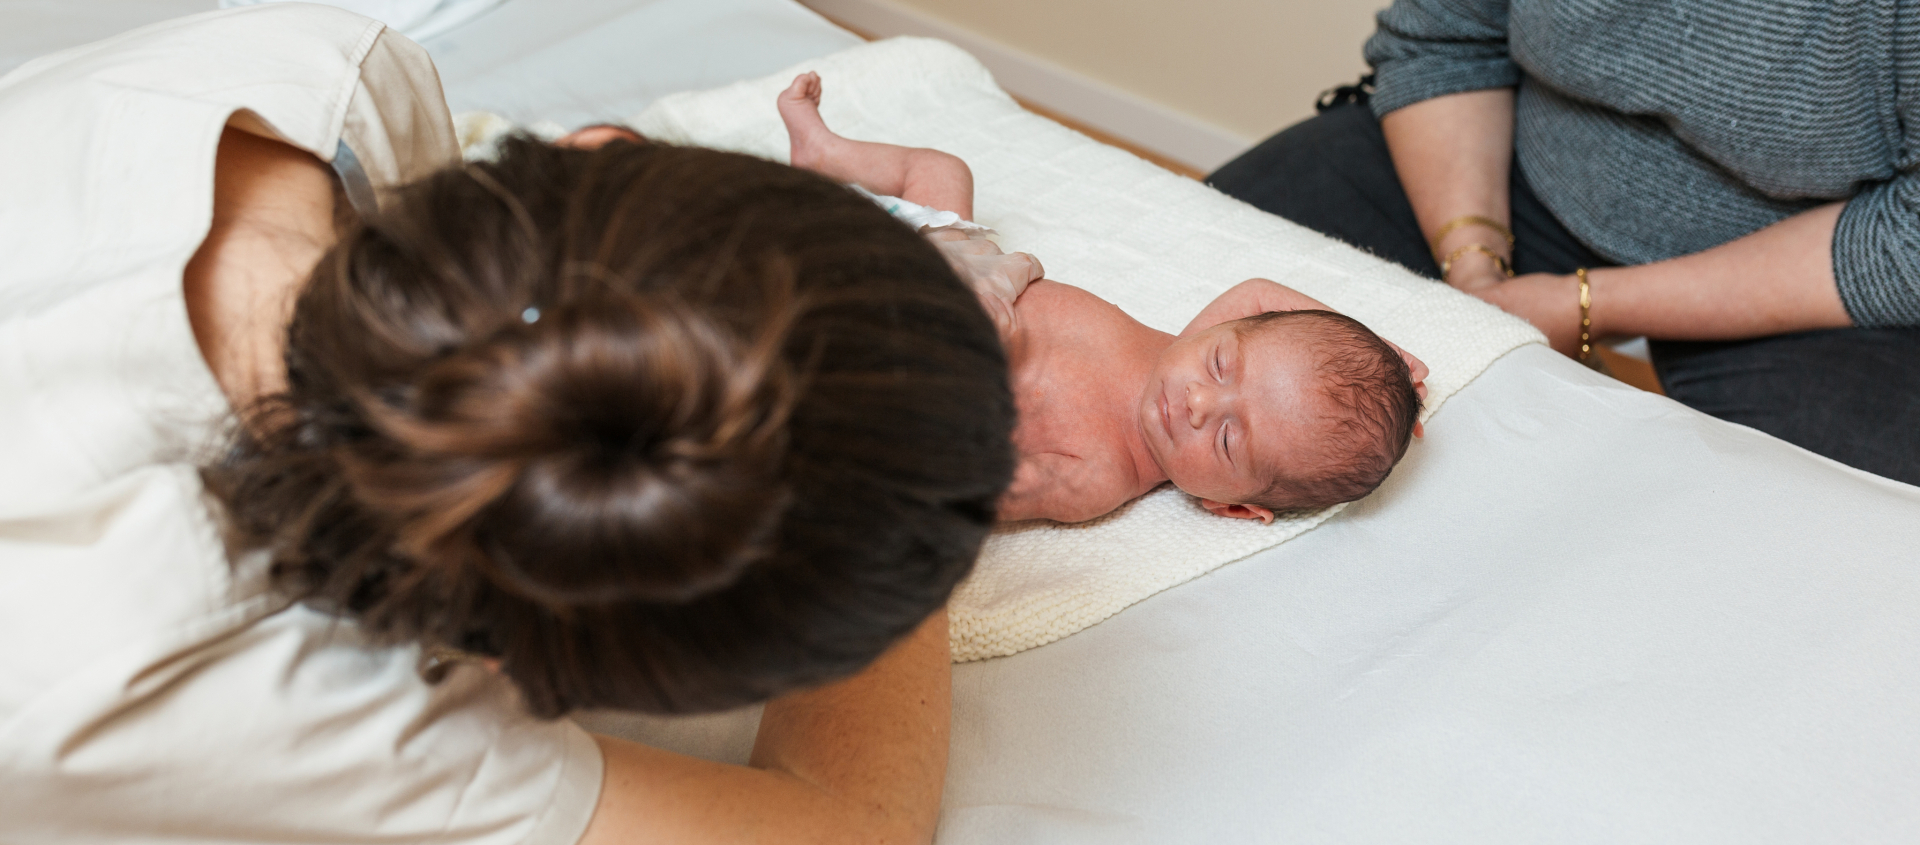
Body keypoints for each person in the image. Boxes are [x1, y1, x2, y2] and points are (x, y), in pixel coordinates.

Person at [0, 6, 1013, 844]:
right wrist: (907, 498)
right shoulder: (292, 708)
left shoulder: (328, 78)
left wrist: (873, 399)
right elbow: (851, 826)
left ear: (597, 148)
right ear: (506, 667)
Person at [1208, 0, 1920, 486]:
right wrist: (1474, 272)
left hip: (1815, 252)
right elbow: (1443, 39)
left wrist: (1581, 306)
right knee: (1200, 278)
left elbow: (1907, 240)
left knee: (1836, 524)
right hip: (1515, 159)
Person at [778, 72, 1425, 525]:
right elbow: (1257, 294)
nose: (1199, 402)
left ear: (1231, 504)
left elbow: (964, 485)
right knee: (943, 172)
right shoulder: (1182, 346)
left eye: (1229, 440)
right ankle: (822, 151)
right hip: (964, 259)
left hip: (906, 351)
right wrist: (1374, 347)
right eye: (1222, 364)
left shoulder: (1099, 475)